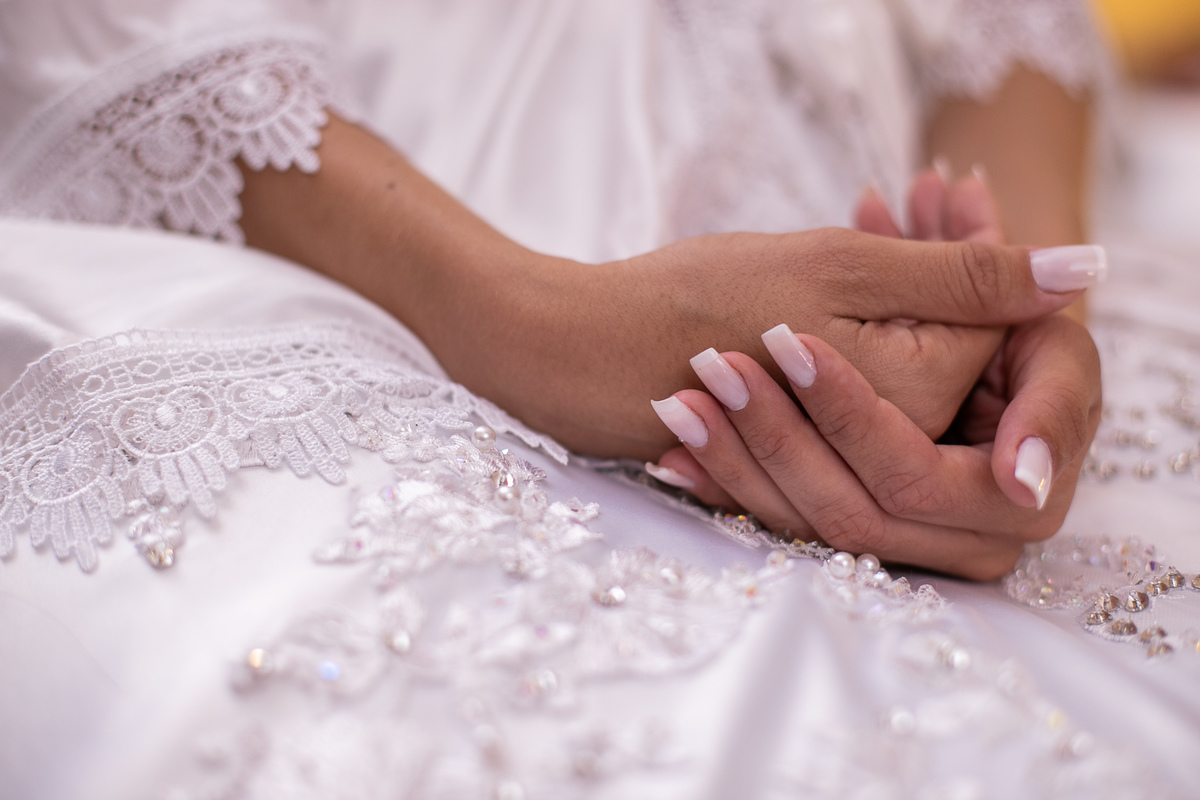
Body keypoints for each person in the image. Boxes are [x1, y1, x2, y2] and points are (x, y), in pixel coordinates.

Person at [2, 1, 1195, 798]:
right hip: (352, 244)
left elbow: (1011, 31)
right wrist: (537, 320)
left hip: (863, 212)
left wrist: (1005, 309)